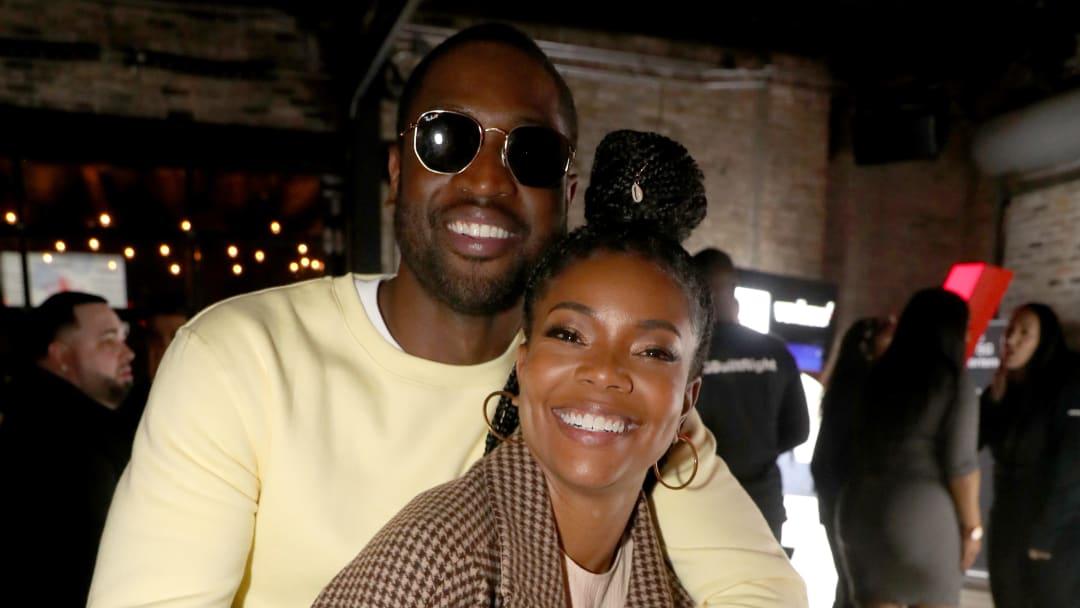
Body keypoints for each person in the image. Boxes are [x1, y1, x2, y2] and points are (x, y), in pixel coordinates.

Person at [89, 24, 805, 608]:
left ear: (566, 196)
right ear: (397, 171)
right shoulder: (239, 357)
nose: (487, 182)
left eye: (530, 153)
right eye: (446, 140)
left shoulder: (590, 389)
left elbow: (762, 591)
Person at [315, 128, 718, 607]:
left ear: (687, 401)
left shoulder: (676, 587)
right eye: (569, 335)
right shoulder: (431, 567)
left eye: (652, 351)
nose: (605, 371)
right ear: (523, 366)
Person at [838, 288, 982, 608]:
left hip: (859, 507)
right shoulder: (953, 379)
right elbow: (961, 467)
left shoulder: (875, 374)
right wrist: (973, 530)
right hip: (920, 515)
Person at [0, 291, 136, 606]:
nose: (127, 352)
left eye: (123, 337)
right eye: (108, 340)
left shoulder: (80, 429)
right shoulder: (58, 447)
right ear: (60, 356)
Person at [691, 248, 810, 542]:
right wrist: (756, 449)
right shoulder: (775, 351)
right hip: (761, 504)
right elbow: (799, 430)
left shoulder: (684, 355)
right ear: (734, 288)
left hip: (697, 501)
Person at [979, 303, 1080, 607]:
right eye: (1010, 330)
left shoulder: (1069, 384)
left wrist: (1045, 535)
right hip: (1008, 525)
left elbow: (1070, 467)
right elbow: (973, 443)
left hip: (1055, 531)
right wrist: (994, 402)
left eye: (1025, 333)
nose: (1011, 339)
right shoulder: (1006, 386)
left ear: (1043, 340)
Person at [810, 316, 895, 608]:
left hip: (835, 498)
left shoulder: (841, 389)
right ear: (869, 348)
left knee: (849, 583)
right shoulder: (873, 391)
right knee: (859, 586)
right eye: (890, 337)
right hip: (856, 500)